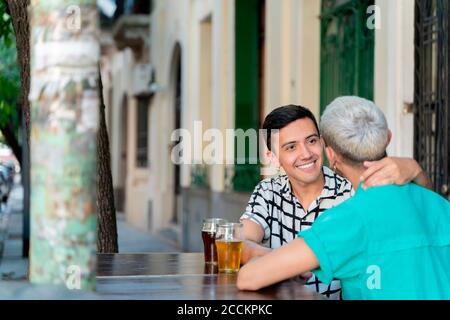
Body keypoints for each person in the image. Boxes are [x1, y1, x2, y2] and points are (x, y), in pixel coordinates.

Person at [237, 96, 450, 299]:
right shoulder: (438, 204)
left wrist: (280, 262)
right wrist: (416, 171)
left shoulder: (350, 214)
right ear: (388, 137)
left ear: (330, 153)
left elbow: (249, 278)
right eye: (291, 147)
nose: (305, 153)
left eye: (311, 141)